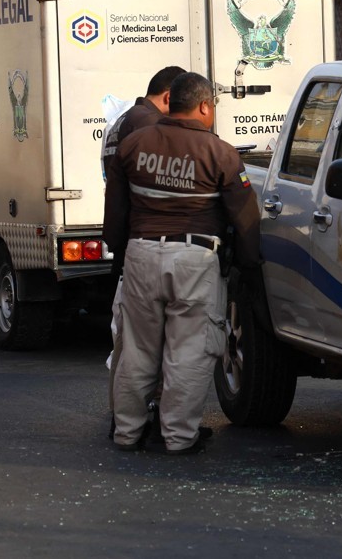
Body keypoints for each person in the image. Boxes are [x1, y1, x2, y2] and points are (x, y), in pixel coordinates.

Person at [104, 71, 261, 454]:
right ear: (204, 106)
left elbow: (115, 214)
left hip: (140, 254)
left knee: (137, 350)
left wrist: (121, 255)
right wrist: (248, 266)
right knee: (189, 351)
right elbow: (245, 219)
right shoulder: (220, 153)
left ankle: (127, 432)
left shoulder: (133, 145)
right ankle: (178, 437)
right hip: (195, 258)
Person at [101, 65, 186, 441]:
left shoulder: (125, 120)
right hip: (145, 244)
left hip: (131, 245)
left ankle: (127, 419)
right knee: (142, 347)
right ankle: (136, 419)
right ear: (169, 97)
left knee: (130, 342)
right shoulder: (145, 126)